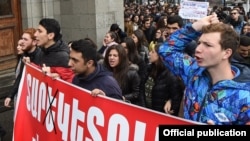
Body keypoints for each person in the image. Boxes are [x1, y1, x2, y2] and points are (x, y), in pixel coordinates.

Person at [158, 14, 250, 125]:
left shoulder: (245, 96)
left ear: (226, 53)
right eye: (199, 43)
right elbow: (166, 50)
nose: (198, 49)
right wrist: (195, 27)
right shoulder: (193, 71)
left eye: (207, 45)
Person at [141, 43, 184, 116]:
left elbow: (176, 98)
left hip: (159, 116)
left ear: (160, 56)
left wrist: (170, 102)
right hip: (145, 112)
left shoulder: (171, 75)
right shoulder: (148, 69)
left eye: (153, 52)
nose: (150, 53)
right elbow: (141, 89)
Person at [4, 28, 42, 108]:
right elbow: (20, 76)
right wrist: (10, 95)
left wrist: (30, 66)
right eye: (22, 38)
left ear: (34, 42)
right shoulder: (25, 55)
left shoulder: (41, 55)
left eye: (25, 39)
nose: (22, 42)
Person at [33, 18, 74, 82]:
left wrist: (60, 77)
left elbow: (71, 80)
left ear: (51, 35)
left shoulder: (63, 57)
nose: (35, 34)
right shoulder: (41, 51)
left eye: (40, 31)